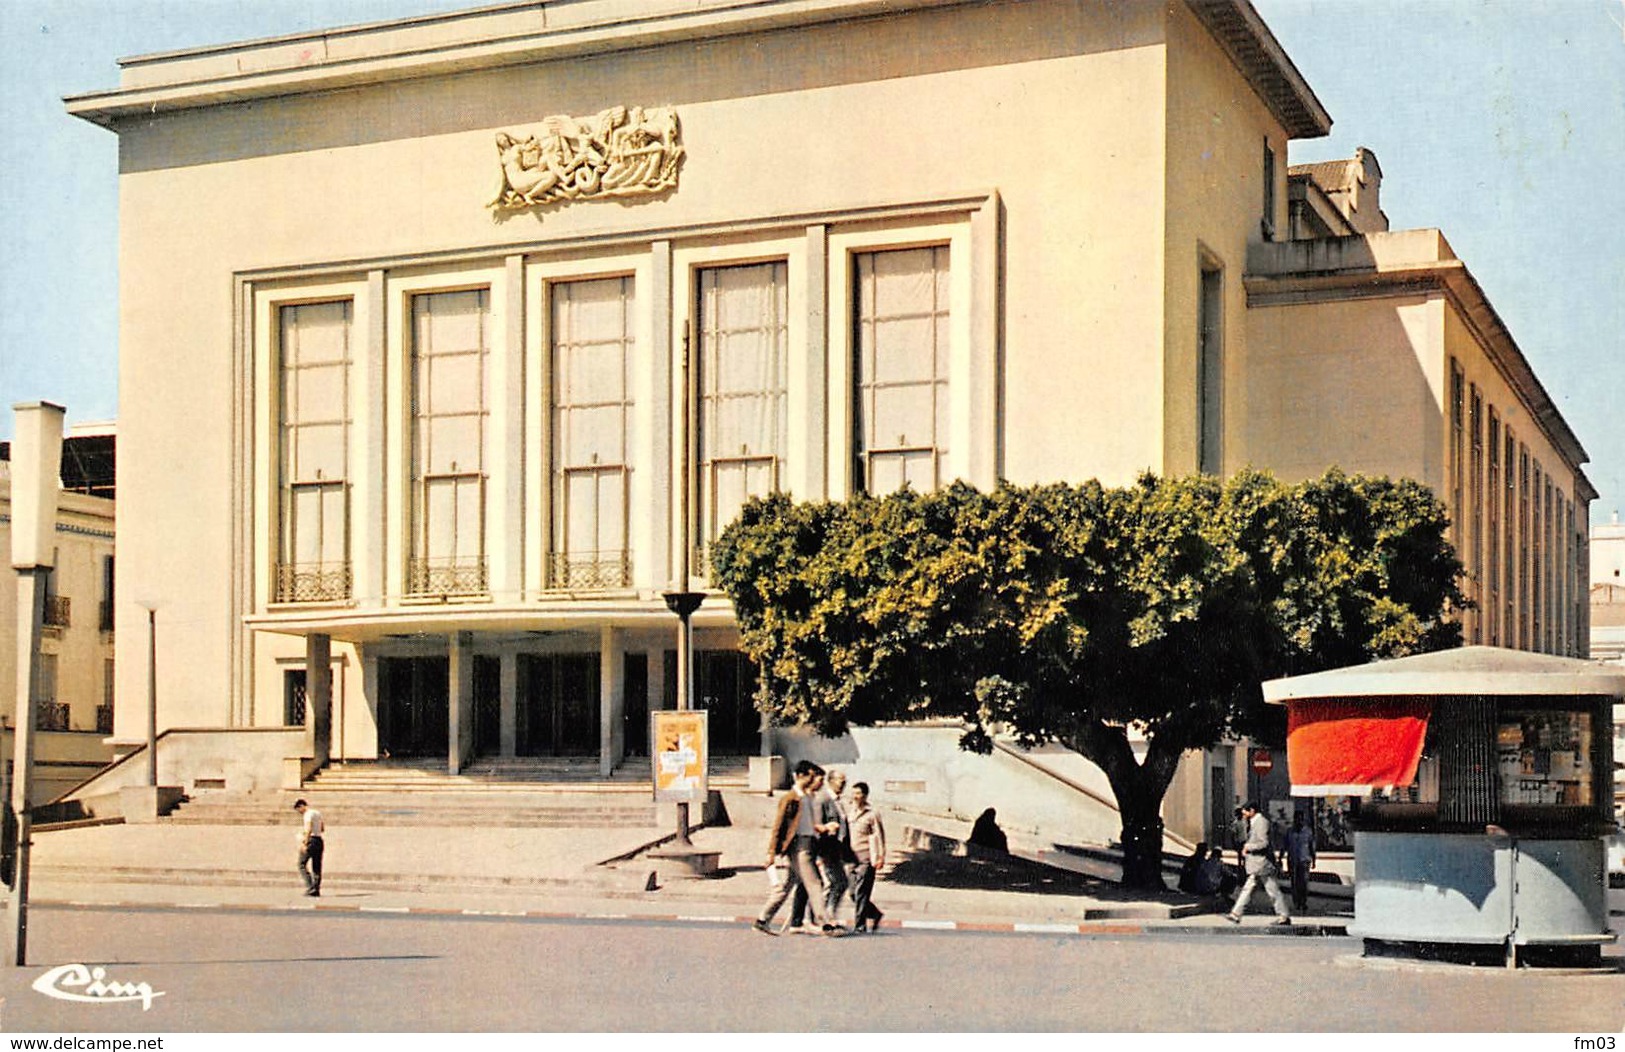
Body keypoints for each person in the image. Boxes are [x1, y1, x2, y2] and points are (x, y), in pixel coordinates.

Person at [752, 761, 843, 936]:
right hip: (799, 847)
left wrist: (823, 828)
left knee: (787, 885)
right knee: (815, 883)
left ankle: (762, 920)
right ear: (800, 776)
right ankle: (825, 924)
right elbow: (778, 826)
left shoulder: (807, 798)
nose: (813, 779)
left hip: (808, 843)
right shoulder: (790, 798)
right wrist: (770, 853)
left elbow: (807, 825)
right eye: (810, 775)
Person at [786, 767, 851, 932]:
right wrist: (826, 831)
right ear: (831, 781)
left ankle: (812, 918)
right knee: (835, 883)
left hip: (834, 849)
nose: (843, 784)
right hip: (824, 849)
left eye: (844, 781)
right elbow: (815, 825)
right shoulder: (822, 799)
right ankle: (822, 918)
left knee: (821, 884)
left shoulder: (837, 800)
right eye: (840, 781)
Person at [1225, 802, 1290, 926]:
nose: (1243, 813)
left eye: (1245, 811)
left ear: (1252, 810)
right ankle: (1236, 914)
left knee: (1272, 890)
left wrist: (1248, 847)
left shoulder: (1261, 822)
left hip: (1262, 863)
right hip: (1257, 864)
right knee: (1249, 888)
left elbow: (1264, 843)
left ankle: (1283, 916)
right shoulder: (1254, 821)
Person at [847, 781, 887, 932]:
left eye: (858, 793)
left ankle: (860, 925)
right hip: (851, 856)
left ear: (865, 795)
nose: (855, 797)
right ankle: (874, 914)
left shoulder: (872, 814)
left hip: (866, 857)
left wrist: (881, 856)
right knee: (852, 892)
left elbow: (879, 835)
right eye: (853, 793)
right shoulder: (849, 811)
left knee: (861, 892)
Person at [1284, 812, 1317, 912]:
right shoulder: (1289, 831)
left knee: (1304, 882)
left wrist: (1314, 859)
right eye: (1297, 819)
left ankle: (1303, 902)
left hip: (1304, 860)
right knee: (1294, 882)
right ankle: (1296, 901)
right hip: (1293, 860)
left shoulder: (1308, 832)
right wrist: (1280, 858)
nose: (1299, 821)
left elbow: (1312, 846)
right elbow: (1285, 845)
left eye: (1301, 819)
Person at [293, 798, 324, 897]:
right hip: (319, 840)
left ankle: (311, 886)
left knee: (301, 864)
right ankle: (316, 888)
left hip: (311, 840)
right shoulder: (317, 813)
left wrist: (305, 843)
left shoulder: (308, 814)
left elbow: (308, 828)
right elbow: (322, 828)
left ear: (301, 806)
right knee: (317, 866)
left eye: (299, 810)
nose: (299, 813)